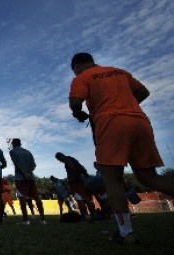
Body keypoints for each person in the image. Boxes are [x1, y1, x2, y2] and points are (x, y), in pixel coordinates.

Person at [68, 52, 174, 243]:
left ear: (75, 66)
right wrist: (126, 106)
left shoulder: (81, 77)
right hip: (140, 121)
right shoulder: (119, 71)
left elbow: (75, 102)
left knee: (113, 179)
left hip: (110, 123)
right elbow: (143, 92)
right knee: (149, 177)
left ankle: (126, 232)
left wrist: (79, 114)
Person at [9, 138, 46, 225]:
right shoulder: (28, 152)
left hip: (20, 178)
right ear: (20, 143)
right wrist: (28, 172)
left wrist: (24, 173)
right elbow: (34, 164)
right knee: (36, 197)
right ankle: (43, 219)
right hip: (31, 177)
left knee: (22, 198)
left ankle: (26, 220)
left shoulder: (12, 152)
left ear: (13, 144)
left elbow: (16, 164)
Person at [55, 152, 96, 222]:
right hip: (80, 180)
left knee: (81, 200)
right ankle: (91, 217)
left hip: (75, 182)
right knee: (84, 199)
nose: (60, 161)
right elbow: (82, 169)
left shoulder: (67, 159)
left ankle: (84, 218)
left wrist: (71, 179)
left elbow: (72, 167)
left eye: (59, 159)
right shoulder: (71, 158)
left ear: (60, 157)